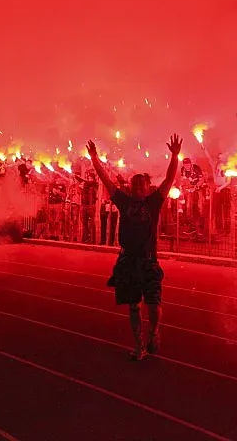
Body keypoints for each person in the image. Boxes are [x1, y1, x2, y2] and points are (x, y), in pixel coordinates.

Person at [88, 134, 182, 361]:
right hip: (128, 261)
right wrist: (94, 158)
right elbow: (106, 179)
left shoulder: (154, 202)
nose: (139, 186)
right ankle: (139, 344)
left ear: (149, 187)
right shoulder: (124, 201)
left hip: (149, 261)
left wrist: (175, 156)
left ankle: (154, 331)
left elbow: (170, 179)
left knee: (153, 306)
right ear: (131, 187)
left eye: (142, 183)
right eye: (135, 183)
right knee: (133, 306)